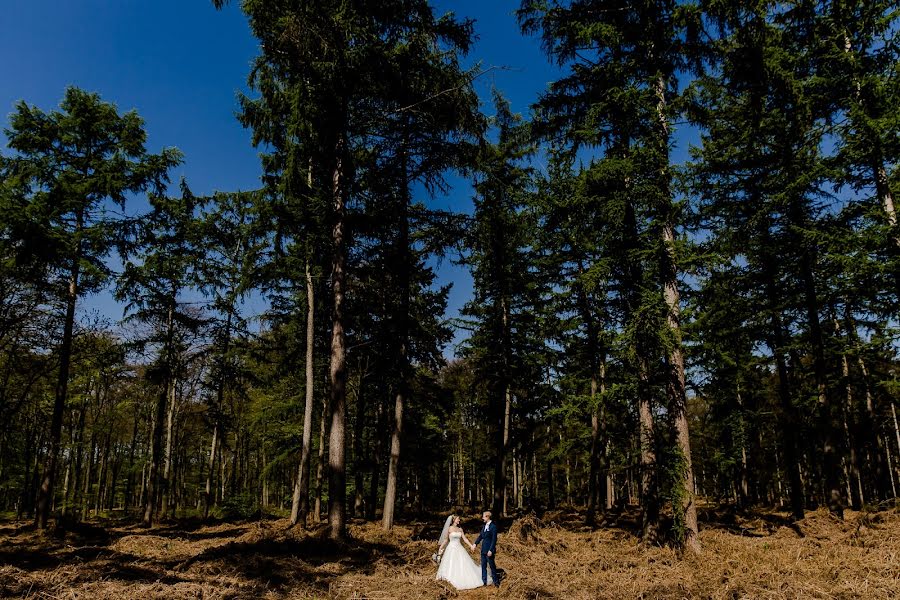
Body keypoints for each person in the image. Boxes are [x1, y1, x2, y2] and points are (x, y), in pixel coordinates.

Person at [435, 514, 488, 590]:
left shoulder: (460, 529)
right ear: (454, 520)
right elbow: (446, 540)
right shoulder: (449, 529)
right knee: (451, 564)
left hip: (459, 548)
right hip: (451, 549)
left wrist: (471, 546)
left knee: (462, 564)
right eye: (458, 519)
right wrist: (441, 547)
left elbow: (465, 539)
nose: (459, 520)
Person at [471, 510, 500, 587]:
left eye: (483, 516)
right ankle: (484, 582)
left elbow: (494, 540)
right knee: (483, 566)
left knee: (492, 566)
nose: (482, 518)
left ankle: (496, 582)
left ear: (487, 517)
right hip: (483, 550)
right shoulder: (484, 526)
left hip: (489, 550)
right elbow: (480, 536)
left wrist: (491, 550)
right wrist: (475, 544)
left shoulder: (493, 527)